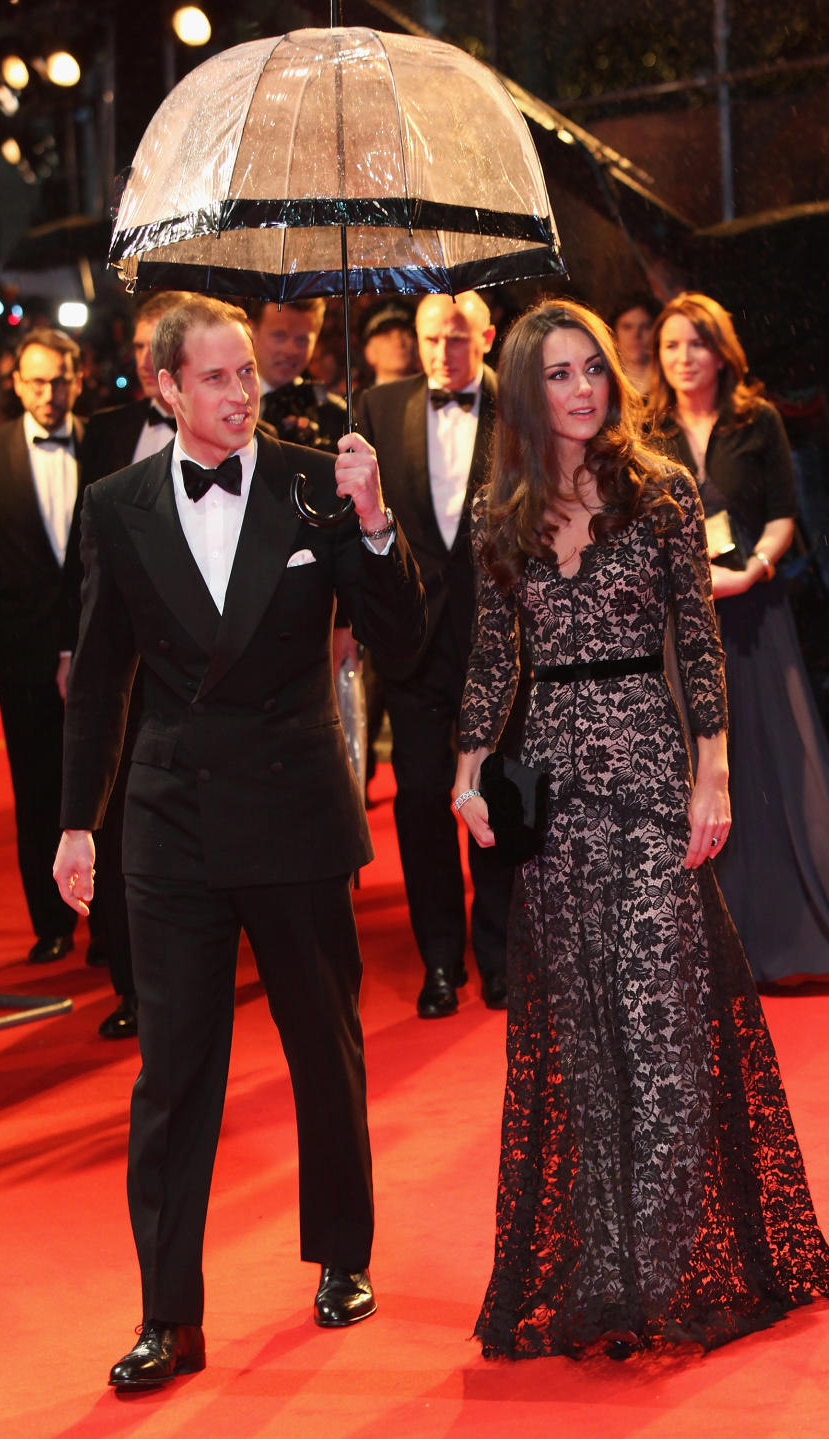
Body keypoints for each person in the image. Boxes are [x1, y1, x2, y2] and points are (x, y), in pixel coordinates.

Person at [453, 298, 829, 1360]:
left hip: (648, 775)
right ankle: (604, 1267)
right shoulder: (503, 513)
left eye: (594, 369)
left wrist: (710, 773)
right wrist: (462, 774)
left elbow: (699, 638)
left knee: (665, 1021)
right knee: (583, 1035)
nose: (585, 388)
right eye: (560, 374)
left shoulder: (661, 492)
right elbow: (494, 656)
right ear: (526, 393)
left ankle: (670, 1266)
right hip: (555, 800)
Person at [52, 296, 426, 1390]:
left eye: (244, 376)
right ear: (164, 387)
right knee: (173, 1076)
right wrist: (80, 819)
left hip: (296, 806)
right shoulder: (117, 504)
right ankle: (168, 1313)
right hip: (169, 823)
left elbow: (400, 640)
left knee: (326, 1046)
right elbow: (99, 676)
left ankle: (343, 1253)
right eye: (213, 378)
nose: (239, 393)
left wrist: (373, 527)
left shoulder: (321, 477)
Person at [648, 292, 829, 985]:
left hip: (754, 615)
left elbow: (784, 516)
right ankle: (704, 942)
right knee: (692, 774)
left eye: (694, 344)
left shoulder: (756, 419)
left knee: (772, 771)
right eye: (671, 346)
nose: (682, 358)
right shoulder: (644, 427)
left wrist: (750, 573)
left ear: (719, 351)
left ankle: (790, 930)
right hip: (680, 623)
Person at [356, 290, 512, 1018]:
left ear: (485, 335)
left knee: (502, 800)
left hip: (503, 641)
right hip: (412, 645)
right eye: (428, 339)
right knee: (420, 805)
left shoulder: (521, 407)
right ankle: (440, 961)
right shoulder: (378, 410)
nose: (442, 352)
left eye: (454, 338)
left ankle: (504, 957)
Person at [67, 290, 192, 1038]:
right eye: (143, 345)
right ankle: (133, 984)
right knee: (116, 825)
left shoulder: (253, 447)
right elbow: (80, 566)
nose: (151, 361)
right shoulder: (106, 435)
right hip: (124, 664)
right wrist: (70, 650)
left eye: (165, 346)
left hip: (201, 674)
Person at [0, 329, 87, 962]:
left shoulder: (101, 441)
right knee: (36, 790)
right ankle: (52, 923)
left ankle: (113, 925)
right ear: (18, 384)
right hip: (22, 653)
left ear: (78, 376)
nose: (49, 394)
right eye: (37, 382)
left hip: (99, 648)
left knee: (107, 788)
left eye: (60, 380)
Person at [249, 298, 347, 450]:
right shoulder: (226, 401)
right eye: (279, 336)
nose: (291, 350)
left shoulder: (334, 415)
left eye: (302, 340)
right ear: (252, 331)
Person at [609, 291, 658, 397]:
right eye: (627, 327)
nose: (636, 335)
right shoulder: (607, 387)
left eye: (645, 327)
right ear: (615, 332)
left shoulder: (671, 386)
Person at [361, 304, 419, 387]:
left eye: (405, 334)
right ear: (369, 352)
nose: (399, 343)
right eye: (387, 337)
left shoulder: (436, 396)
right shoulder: (357, 399)